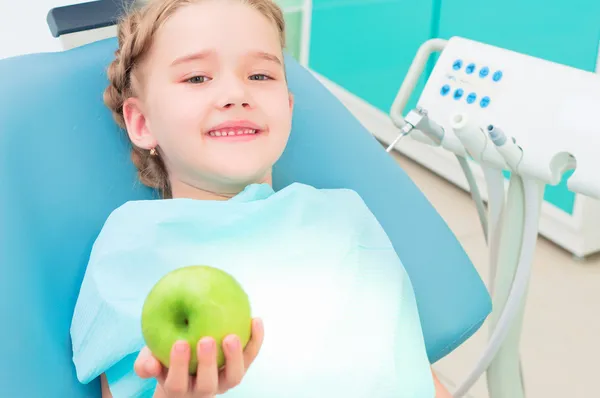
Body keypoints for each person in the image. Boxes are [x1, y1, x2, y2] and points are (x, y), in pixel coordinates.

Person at [69, 0, 454, 397]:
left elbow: (413, 368)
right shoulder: (131, 245)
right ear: (142, 122)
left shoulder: (341, 218)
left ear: (287, 107)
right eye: (197, 78)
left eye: (259, 74)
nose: (236, 94)